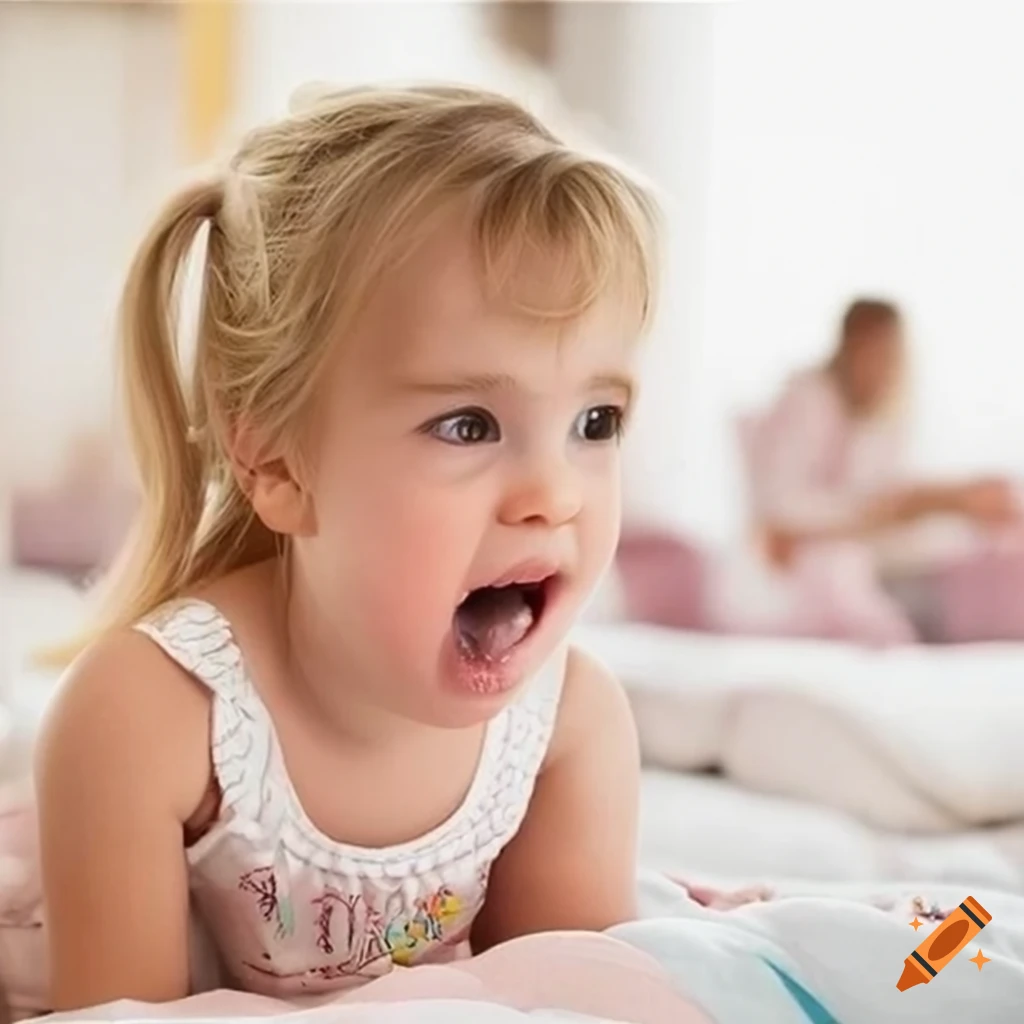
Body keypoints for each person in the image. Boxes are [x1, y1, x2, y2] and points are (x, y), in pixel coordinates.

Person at [4, 84, 660, 1014]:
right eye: (468, 424)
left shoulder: (569, 729)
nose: (555, 495)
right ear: (277, 464)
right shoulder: (150, 716)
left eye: (597, 421)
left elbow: (563, 1005)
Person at [736, 298, 1020, 640]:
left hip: (869, 558)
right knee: (844, 576)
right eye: (871, 351)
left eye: (890, 355)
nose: (882, 366)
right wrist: (890, 510)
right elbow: (781, 512)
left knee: (967, 538)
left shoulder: (888, 415)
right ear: (846, 347)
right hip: (797, 568)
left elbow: (886, 498)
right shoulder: (808, 397)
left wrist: (942, 503)